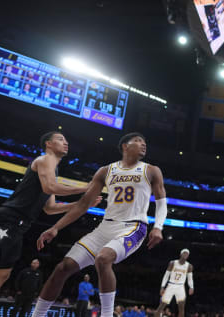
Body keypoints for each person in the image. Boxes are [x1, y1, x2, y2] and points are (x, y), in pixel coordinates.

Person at [32, 132, 167, 317]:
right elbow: (83, 204)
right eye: (138, 141)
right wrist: (56, 227)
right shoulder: (105, 171)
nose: (143, 144)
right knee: (63, 267)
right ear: (125, 146)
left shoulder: (151, 170)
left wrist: (158, 226)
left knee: (103, 259)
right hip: (105, 227)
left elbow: (161, 201)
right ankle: (36, 315)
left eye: (144, 142)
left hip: (133, 227)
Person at [0, 132, 90, 310]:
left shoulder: (53, 170)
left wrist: (80, 204)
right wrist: (86, 188)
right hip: (8, 219)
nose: (66, 142)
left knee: (1, 275)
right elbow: (50, 187)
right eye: (60, 139)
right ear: (48, 144)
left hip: (18, 225)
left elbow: (49, 208)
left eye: (66, 140)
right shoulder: (45, 159)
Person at [156, 249, 194, 317]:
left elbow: (190, 278)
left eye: (187, 254)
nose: (185, 255)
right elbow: (166, 275)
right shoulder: (172, 263)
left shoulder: (189, 266)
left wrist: (191, 287)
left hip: (180, 286)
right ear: (180, 254)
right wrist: (162, 286)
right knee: (162, 305)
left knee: (181, 307)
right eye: (184, 253)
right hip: (171, 285)